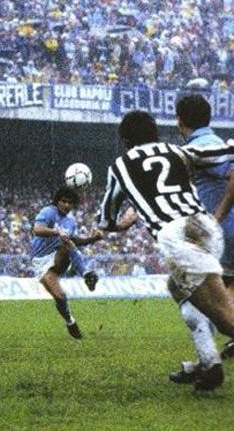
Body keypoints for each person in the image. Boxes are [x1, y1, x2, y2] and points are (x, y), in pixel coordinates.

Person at [98, 110, 234, 391]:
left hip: (176, 234)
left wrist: (123, 223)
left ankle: (210, 364)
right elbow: (222, 152)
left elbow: (106, 220)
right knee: (176, 286)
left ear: (126, 141)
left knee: (225, 320)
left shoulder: (119, 166)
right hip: (206, 226)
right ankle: (209, 364)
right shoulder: (177, 150)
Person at [168, 94, 234, 385]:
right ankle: (206, 362)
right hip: (224, 235)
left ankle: (207, 363)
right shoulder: (213, 142)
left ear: (180, 121)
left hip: (221, 236)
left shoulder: (203, 147)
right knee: (220, 299)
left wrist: (217, 218)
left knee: (185, 288)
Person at [29, 186, 102, 339]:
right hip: (40, 260)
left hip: (59, 256)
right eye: (63, 201)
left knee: (67, 243)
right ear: (57, 201)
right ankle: (70, 321)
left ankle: (86, 274)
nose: (66, 205)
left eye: (70, 203)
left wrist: (93, 239)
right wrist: (56, 232)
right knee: (60, 297)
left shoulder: (71, 222)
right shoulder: (48, 212)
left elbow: (74, 241)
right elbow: (37, 229)